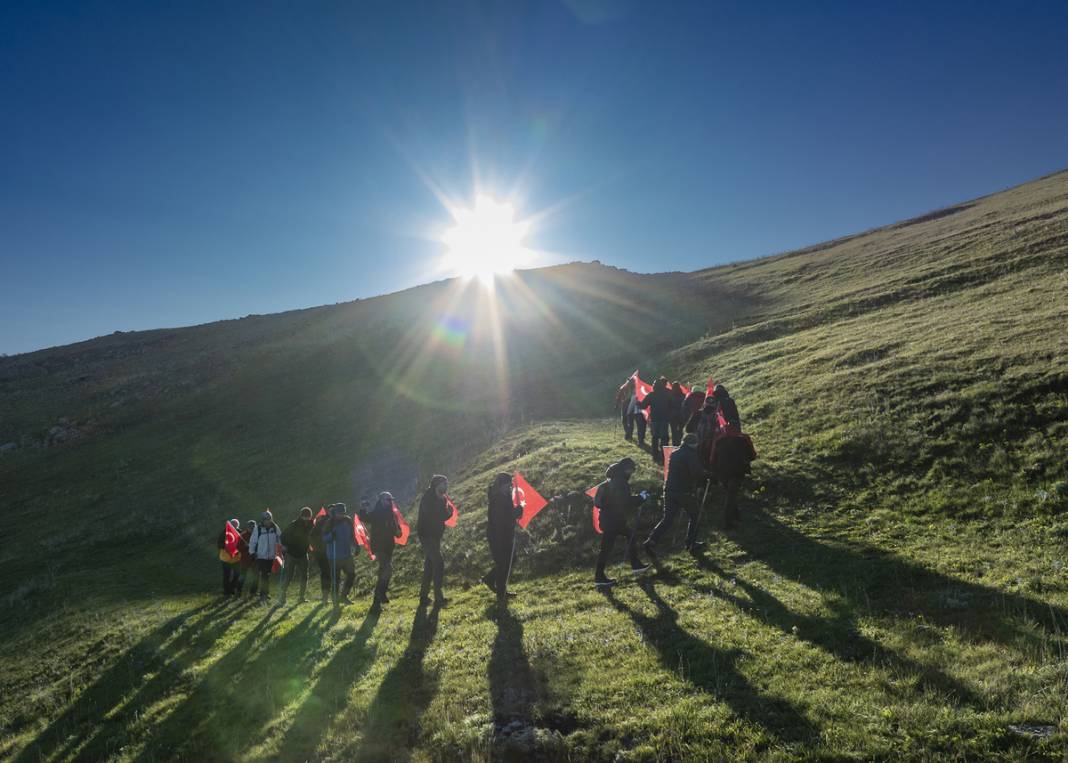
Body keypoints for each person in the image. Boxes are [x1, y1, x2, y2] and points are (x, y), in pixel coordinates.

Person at [643, 433, 709, 554]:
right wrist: (708, 474)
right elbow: (696, 472)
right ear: (693, 443)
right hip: (684, 491)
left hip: (669, 490)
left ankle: (651, 540)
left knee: (667, 519)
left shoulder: (674, 453)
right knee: (695, 515)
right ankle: (691, 543)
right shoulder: (691, 454)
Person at [593, 458, 652, 588]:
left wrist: (637, 498)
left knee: (629, 536)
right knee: (606, 548)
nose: (632, 472)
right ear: (626, 469)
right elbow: (624, 501)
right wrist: (641, 498)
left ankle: (635, 565)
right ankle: (599, 577)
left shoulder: (613, 480)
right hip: (613, 520)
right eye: (632, 469)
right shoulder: (620, 482)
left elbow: (619, 499)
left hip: (609, 519)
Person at [482, 473, 521, 604]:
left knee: (509, 560)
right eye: (507, 484)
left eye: (510, 483)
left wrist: (516, 513)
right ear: (501, 485)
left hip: (505, 534)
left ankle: (491, 581)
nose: (510, 486)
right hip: (498, 536)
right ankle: (501, 595)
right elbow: (500, 520)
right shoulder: (498, 498)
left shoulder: (504, 495)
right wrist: (515, 514)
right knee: (504, 563)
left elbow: (508, 514)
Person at [359, 492, 402, 607]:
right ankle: (381, 594)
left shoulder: (391, 514)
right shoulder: (377, 513)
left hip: (389, 546)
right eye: (388, 500)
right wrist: (362, 508)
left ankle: (379, 594)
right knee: (387, 568)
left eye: (391, 500)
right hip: (378, 546)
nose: (390, 502)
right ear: (382, 500)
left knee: (384, 570)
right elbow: (364, 518)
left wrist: (399, 532)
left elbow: (396, 529)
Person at [417, 475, 454, 607]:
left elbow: (442, 517)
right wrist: (443, 510)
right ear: (437, 485)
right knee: (439, 563)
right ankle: (439, 598)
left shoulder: (443, 499)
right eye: (444, 484)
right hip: (426, 535)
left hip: (436, 536)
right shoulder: (428, 497)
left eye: (447, 484)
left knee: (430, 566)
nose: (446, 487)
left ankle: (423, 597)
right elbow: (430, 514)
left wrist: (449, 513)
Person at [322, 503, 358, 606]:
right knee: (335, 579)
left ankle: (344, 596)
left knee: (351, 575)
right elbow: (324, 538)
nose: (341, 515)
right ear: (335, 512)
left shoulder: (348, 521)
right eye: (339, 513)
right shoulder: (330, 523)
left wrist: (356, 546)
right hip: (333, 556)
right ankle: (335, 600)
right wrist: (330, 536)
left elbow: (352, 535)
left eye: (343, 513)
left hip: (346, 554)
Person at [278, 507, 314, 606]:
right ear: (301, 516)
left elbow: (313, 536)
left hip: (303, 554)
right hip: (291, 554)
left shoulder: (311, 525)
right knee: (289, 576)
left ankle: (301, 597)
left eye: (308, 517)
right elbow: (283, 537)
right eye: (305, 517)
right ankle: (282, 597)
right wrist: (285, 547)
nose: (307, 519)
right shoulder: (293, 525)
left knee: (304, 576)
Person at [249, 510, 282, 605]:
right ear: (263, 520)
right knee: (264, 575)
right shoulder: (258, 529)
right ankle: (263, 594)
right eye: (266, 519)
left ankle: (265, 593)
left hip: (272, 556)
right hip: (261, 556)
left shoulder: (275, 527)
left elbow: (279, 538)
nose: (268, 521)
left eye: (269, 519)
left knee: (267, 575)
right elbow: (253, 542)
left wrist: (280, 550)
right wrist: (252, 552)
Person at [638, 376, 674, 461]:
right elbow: (672, 405)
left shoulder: (651, 395)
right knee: (664, 438)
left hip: (654, 420)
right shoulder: (667, 394)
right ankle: (665, 456)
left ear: (654, 386)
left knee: (655, 438)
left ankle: (654, 456)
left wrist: (638, 402)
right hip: (665, 419)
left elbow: (643, 406)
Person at [310, 509, 332, 604]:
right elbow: (312, 536)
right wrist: (318, 549)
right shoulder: (321, 522)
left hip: (334, 552)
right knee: (326, 574)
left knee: (332, 574)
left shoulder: (338, 521)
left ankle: (332, 596)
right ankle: (325, 597)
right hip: (322, 554)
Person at [216, 518, 242, 597]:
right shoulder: (224, 532)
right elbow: (219, 544)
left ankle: (231, 589)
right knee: (226, 575)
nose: (234, 526)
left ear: (237, 526)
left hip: (236, 558)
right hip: (226, 558)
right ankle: (226, 592)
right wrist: (227, 546)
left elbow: (242, 544)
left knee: (237, 575)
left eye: (235, 525)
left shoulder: (240, 533)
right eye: (232, 524)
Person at [238, 519, 258, 598]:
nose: (252, 529)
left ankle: (253, 592)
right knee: (242, 576)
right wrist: (245, 546)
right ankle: (238, 591)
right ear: (248, 527)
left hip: (255, 559)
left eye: (253, 527)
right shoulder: (243, 535)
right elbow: (238, 547)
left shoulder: (258, 535)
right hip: (245, 560)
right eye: (250, 527)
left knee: (256, 576)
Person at [625, 380, 647, 446]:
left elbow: (631, 404)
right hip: (642, 413)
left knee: (641, 427)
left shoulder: (636, 395)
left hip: (639, 413)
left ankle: (641, 440)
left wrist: (628, 412)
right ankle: (641, 440)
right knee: (642, 427)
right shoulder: (643, 394)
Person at [669, 381, 688, 447]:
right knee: (680, 430)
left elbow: (668, 405)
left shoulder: (670, 395)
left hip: (672, 415)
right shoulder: (683, 395)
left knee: (674, 431)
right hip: (681, 415)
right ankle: (679, 442)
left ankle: (675, 444)